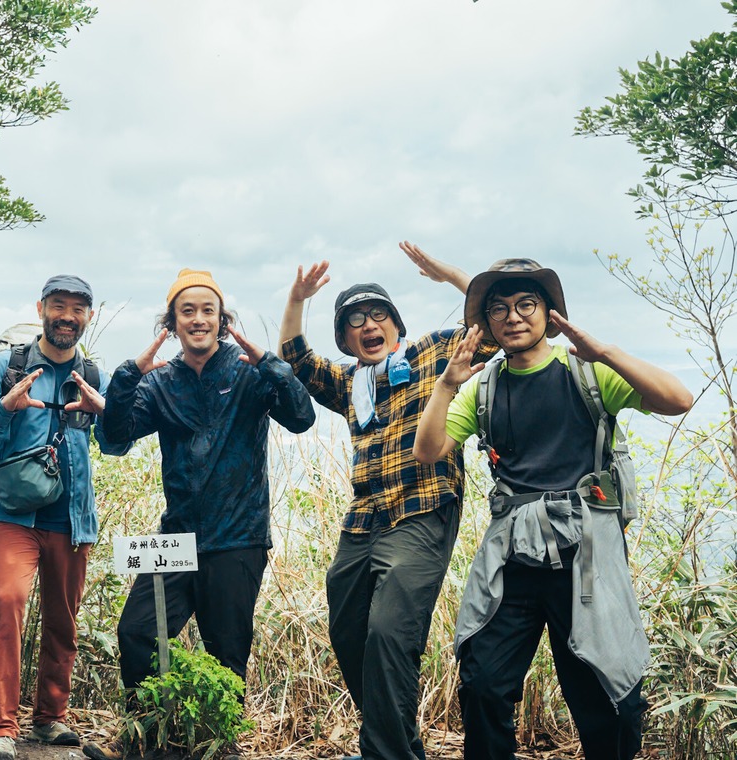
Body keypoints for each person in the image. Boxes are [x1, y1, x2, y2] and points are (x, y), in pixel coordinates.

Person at [413, 259, 693, 760]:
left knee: (603, 694)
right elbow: (428, 450)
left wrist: (603, 350)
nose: (513, 317)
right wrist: (446, 384)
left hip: (586, 557)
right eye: (499, 309)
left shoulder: (585, 372)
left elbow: (679, 399)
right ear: (489, 325)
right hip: (513, 557)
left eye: (525, 305)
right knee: (483, 684)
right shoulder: (485, 385)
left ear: (548, 313)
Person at [83, 268, 315, 760]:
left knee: (226, 651)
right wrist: (126, 378)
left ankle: (217, 749)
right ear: (171, 323)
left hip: (239, 538)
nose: (198, 318)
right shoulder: (160, 382)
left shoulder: (249, 374)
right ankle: (147, 744)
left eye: (207, 310)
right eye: (187, 311)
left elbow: (301, 418)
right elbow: (115, 441)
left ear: (222, 320)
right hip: (175, 540)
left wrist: (271, 363)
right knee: (137, 633)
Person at [276, 243, 494, 760]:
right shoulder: (350, 382)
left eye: (377, 315)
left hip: (422, 508)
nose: (368, 325)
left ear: (395, 324)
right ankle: (394, 744)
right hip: (363, 519)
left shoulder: (430, 354)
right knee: (349, 626)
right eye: (354, 320)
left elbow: (486, 323)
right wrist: (297, 298)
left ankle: (386, 754)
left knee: (389, 630)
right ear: (346, 338)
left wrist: (450, 274)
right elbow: (295, 357)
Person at [0, 275, 131, 760]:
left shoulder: (92, 375)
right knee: (8, 603)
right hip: (13, 514)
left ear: (89, 317)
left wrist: (105, 414)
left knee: (63, 620)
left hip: (71, 518)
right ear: (41, 308)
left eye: (78, 309)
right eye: (59, 306)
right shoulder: (7, 365)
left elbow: (115, 447)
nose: (67, 316)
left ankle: (50, 718)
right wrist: (5, 408)